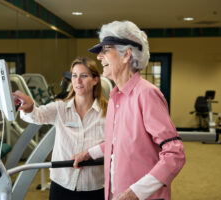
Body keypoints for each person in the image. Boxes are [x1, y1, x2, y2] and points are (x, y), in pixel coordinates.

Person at [72, 20, 186, 200]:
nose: (100, 57)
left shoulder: (146, 94)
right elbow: (119, 141)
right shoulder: (117, 96)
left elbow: (175, 154)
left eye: (105, 50)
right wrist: (89, 154)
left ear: (126, 55)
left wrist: (135, 193)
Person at [13, 57, 108, 200]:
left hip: (94, 187)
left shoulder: (108, 112)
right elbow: (37, 115)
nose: (78, 80)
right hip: (62, 186)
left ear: (95, 80)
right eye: (75, 76)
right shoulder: (60, 108)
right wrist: (30, 108)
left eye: (84, 76)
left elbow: (117, 143)